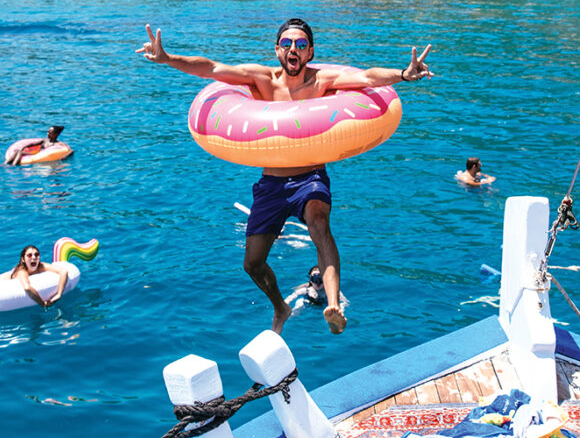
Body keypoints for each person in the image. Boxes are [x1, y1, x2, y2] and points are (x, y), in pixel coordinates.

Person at [137, 18, 432, 335]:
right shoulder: (262, 80)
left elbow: (367, 77)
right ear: (278, 49)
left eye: (302, 45)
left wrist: (403, 75)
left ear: (310, 52)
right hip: (272, 184)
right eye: (288, 44)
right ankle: (281, 307)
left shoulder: (321, 81)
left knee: (319, 223)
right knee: (252, 263)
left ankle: (333, 304)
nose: (295, 49)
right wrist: (167, 59)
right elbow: (211, 68)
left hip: (310, 176)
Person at [284, 265, 348, 311]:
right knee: (299, 303)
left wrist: (342, 308)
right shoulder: (307, 290)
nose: (317, 283)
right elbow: (294, 295)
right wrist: (287, 301)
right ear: (311, 280)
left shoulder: (330, 291)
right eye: (314, 279)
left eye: (320, 279)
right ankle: (291, 316)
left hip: (325, 305)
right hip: (309, 302)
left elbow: (344, 301)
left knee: (333, 307)